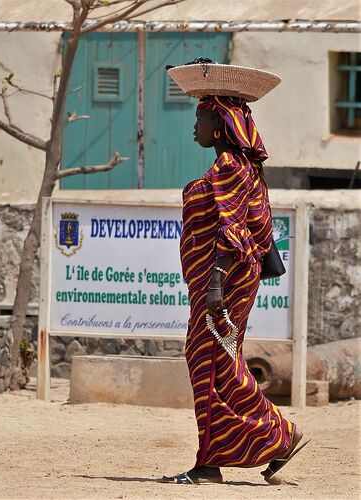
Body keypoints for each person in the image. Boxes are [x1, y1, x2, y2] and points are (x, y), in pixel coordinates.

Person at [162, 61, 309, 485]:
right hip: (228, 281)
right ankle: (245, 447)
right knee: (217, 361)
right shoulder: (245, 169)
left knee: (210, 361)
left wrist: (214, 287)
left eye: (200, 118)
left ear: (220, 123)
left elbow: (232, 232)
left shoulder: (228, 168)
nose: (195, 127)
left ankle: (258, 444)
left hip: (223, 283)